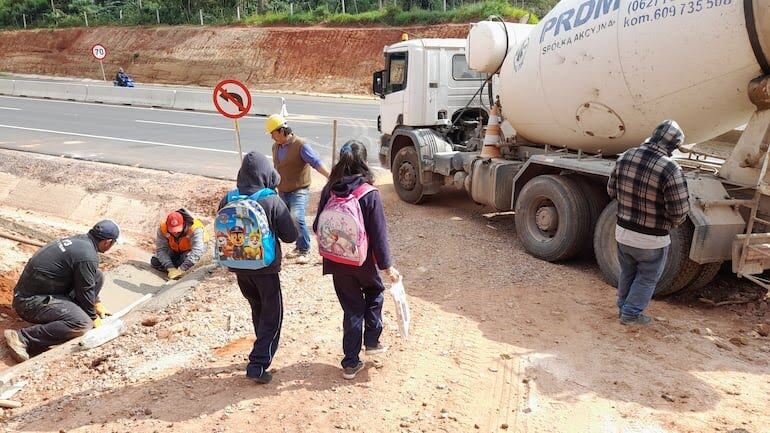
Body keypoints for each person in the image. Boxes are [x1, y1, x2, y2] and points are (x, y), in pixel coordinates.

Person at [312, 140, 400, 380]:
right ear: (363, 161)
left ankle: (350, 363)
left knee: (351, 308)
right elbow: (379, 235)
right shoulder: (369, 193)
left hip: (335, 260)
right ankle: (372, 341)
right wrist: (387, 266)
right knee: (375, 292)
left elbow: (317, 226)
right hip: (363, 261)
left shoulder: (330, 189)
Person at [218, 151, 298, 384]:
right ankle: (258, 364)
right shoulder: (271, 200)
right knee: (273, 316)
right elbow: (290, 236)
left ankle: (261, 350)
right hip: (266, 269)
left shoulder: (228, 199)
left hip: (238, 266)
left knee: (258, 309)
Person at [607, 120, 690, 326]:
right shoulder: (671, 169)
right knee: (646, 278)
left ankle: (623, 307)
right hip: (652, 240)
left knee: (628, 271)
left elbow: (611, 190)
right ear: (673, 146)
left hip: (623, 232)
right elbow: (679, 211)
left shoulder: (626, 156)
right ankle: (631, 315)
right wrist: (672, 223)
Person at [4, 220, 122, 362]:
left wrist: (96, 303)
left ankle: (70, 315)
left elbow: (86, 282)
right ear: (108, 242)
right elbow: (84, 290)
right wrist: (92, 317)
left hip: (41, 290)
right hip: (29, 303)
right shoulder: (87, 256)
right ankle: (22, 338)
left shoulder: (81, 241)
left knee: (97, 276)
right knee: (82, 324)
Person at [266, 114, 330, 263]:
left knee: (297, 217)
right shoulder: (275, 147)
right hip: (282, 190)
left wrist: (329, 176)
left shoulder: (300, 145)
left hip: (299, 190)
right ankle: (299, 246)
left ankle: (304, 249)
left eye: (273, 134)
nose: (272, 137)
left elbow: (316, 162)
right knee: (288, 219)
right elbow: (277, 168)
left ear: (282, 131)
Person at [151, 209, 207, 280]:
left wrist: (182, 269)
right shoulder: (163, 228)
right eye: (172, 230)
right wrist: (170, 267)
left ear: (183, 224)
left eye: (178, 230)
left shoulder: (195, 228)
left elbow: (197, 251)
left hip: (190, 251)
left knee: (186, 261)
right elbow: (161, 249)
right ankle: (174, 268)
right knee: (155, 261)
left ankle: (180, 269)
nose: (175, 233)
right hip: (174, 249)